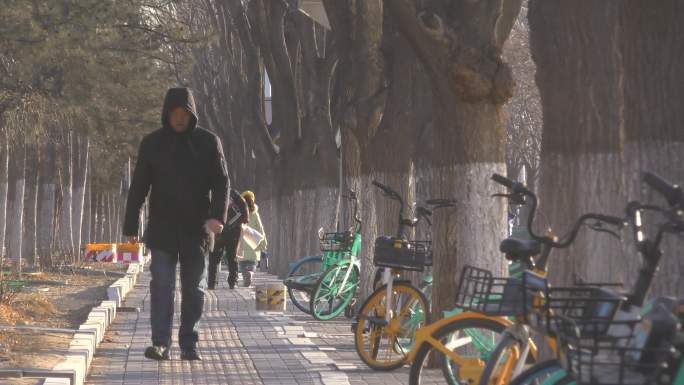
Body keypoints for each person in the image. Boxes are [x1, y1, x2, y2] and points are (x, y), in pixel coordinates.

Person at [123, 87, 230, 361]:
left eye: (185, 113)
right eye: (175, 113)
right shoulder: (152, 144)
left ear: (192, 114)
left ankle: (189, 342)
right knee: (162, 284)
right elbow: (138, 188)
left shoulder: (208, 142)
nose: (180, 118)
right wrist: (130, 227)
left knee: (194, 288)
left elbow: (221, 182)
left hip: (197, 229)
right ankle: (160, 343)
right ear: (166, 114)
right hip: (162, 229)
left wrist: (218, 217)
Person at [207, 189, 248, 290]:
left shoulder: (212, 193)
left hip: (218, 230)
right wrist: (244, 219)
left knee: (214, 257)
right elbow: (244, 206)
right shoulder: (234, 194)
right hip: (234, 230)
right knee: (232, 257)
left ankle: (211, 283)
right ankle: (232, 283)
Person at [236, 191, 267, 287]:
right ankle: (250, 274)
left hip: (241, 244)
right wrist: (263, 243)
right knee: (252, 266)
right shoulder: (255, 214)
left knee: (242, 265)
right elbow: (260, 229)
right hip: (253, 243)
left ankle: (245, 275)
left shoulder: (238, 212)